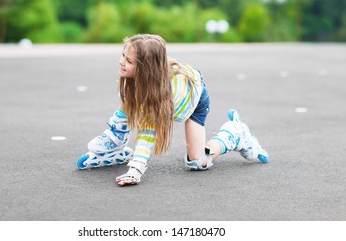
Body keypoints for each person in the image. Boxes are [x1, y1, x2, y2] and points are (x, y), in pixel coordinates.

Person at [77, 34, 268, 186]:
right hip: (166, 84)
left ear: (146, 69)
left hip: (195, 101)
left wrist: (135, 169)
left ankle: (235, 134)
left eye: (129, 61)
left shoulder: (160, 95)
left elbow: (147, 134)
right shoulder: (143, 76)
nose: (121, 62)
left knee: (197, 161)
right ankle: (116, 139)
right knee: (130, 94)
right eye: (122, 55)